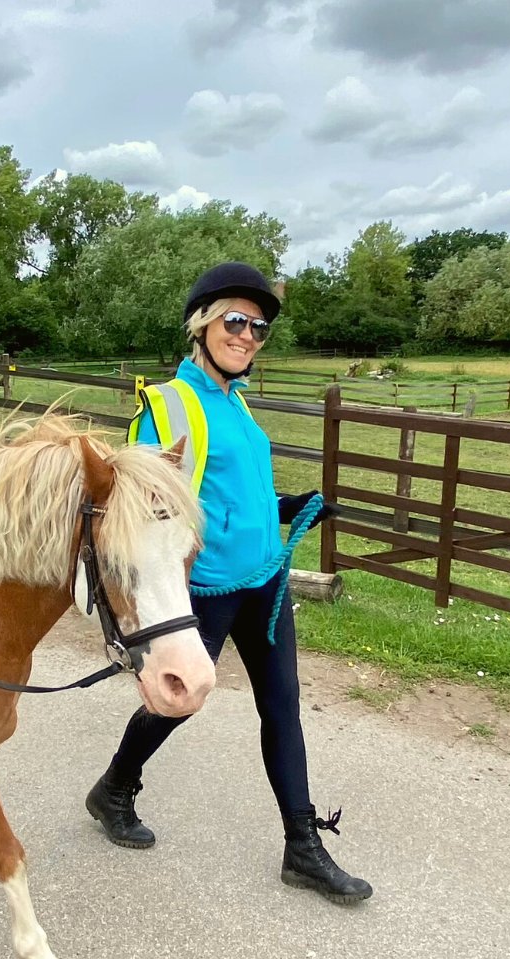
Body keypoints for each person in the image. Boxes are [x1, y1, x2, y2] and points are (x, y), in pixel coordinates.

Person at [85, 261, 372, 904]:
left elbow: (230, 492)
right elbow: (152, 510)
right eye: (235, 321)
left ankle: (303, 847)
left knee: (282, 707)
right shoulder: (168, 405)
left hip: (265, 581)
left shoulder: (235, 401)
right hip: (209, 588)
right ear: (202, 325)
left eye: (258, 328)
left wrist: (286, 505)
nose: (247, 335)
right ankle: (114, 787)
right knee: (179, 700)